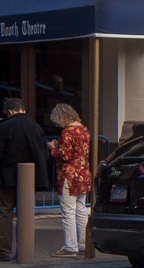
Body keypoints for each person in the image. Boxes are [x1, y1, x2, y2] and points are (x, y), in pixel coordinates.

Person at [0, 96, 51, 262]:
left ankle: (3, 250)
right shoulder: (36, 127)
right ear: (22, 109)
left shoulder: (4, 127)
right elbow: (44, 153)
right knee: (25, 214)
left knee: (5, 213)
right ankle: (24, 249)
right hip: (29, 179)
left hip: (7, 178)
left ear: (10, 111)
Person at [49, 103, 91, 257]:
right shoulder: (84, 129)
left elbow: (64, 155)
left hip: (69, 175)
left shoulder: (67, 132)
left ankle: (70, 246)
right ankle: (83, 244)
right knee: (81, 210)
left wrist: (53, 147)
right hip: (83, 173)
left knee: (68, 211)